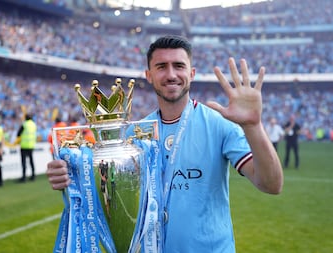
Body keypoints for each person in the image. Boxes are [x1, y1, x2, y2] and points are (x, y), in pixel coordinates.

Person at [46, 35, 283, 252]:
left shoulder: (219, 123)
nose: (171, 74)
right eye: (161, 67)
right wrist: (72, 178)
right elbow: (109, 198)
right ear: (149, 75)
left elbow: (271, 185)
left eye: (179, 66)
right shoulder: (134, 136)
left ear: (191, 73)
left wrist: (254, 126)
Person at [16, 113, 37, 182]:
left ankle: (24, 177)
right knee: (31, 161)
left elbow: (18, 134)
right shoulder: (34, 125)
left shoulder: (24, 124)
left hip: (24, 145)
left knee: (24, 162)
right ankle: (33, 175)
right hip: (31, 145)